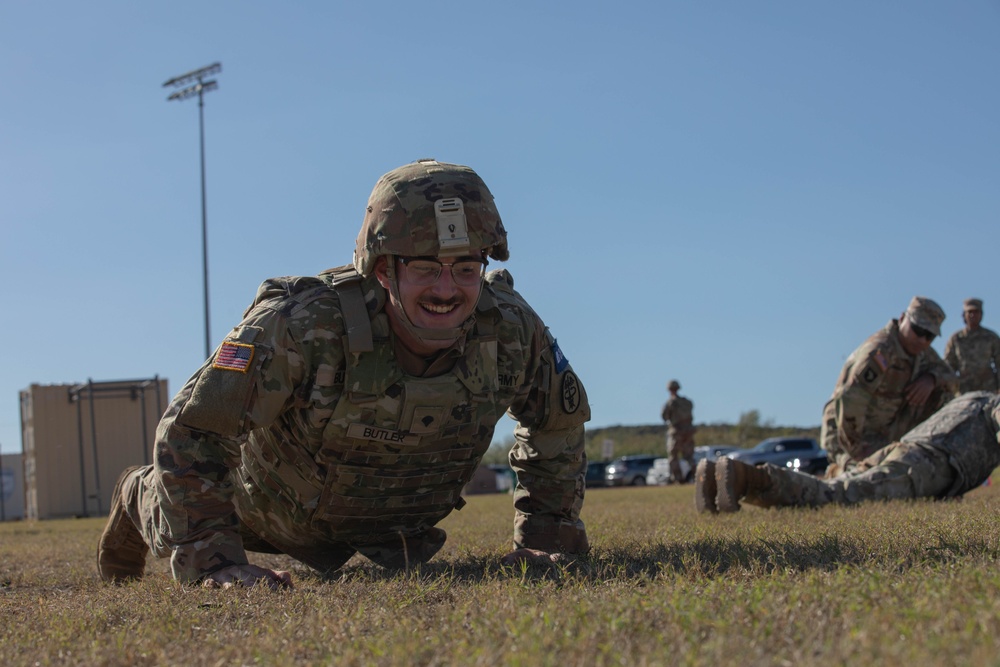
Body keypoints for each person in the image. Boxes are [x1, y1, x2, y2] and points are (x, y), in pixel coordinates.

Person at [98, 159, 592, 588]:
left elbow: (557, 425)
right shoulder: (304, 326)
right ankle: (133, 493)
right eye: (425, 267)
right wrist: (213, 561)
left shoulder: (509, 327)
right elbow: (193, 430)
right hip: (263, 510)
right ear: (382, 269)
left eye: (466, 268)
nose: (448, 289)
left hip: (394, 529)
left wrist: (548, 539)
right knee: (168, 505)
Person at [695, 391, 1000, 513]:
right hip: (925, 465)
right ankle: (747, 479)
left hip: (904, 450)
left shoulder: (975, 397)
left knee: (840, 484)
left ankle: (714, 474)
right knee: (840, 494)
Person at [819, 296, 957, 475]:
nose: (922, 339)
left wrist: (931, 379)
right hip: (850, 436)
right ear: (902, 319)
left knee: (943, 394)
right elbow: (851, 403)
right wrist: (858, 451)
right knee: (872, 481)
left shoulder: (923, 354)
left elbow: (953, 379)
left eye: (929, 336)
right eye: (917, 330)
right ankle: (840, 471)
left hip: (885, 433)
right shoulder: (879, 352)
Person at [944, 298, 1000, 395]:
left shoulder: (991, 337)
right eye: (969, 312)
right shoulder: (956, 338)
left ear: (981, 315)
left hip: (988, 389)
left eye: (976, 312)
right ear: (964, 315)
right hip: (964, 390)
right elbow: (948, 366)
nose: (972, 315)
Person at [661, 380, 696, 483]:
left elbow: (664, 417)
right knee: (690, 457)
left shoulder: (670, 403)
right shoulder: (687, 402)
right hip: (688, 431)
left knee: (673, 456)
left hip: (676, 432)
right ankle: (697, 475)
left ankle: (678, 478)